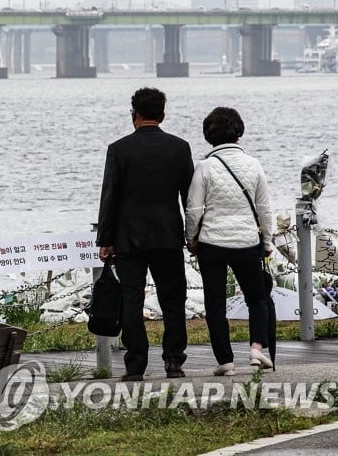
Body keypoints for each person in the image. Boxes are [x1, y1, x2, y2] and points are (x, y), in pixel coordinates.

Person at [97, 87, 195, 381]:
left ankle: (135, 365)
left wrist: (105, 239)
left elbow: (109, 197)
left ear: (134, 115)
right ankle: (174, 361)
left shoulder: (119, 149)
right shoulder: (179, 148)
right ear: (162, 114)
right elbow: (188, 198)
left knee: (131, 300)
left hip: (129, 238)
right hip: (168, 236)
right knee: (173, 299)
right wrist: (192, 235)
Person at [185, 107, 273, 376]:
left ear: (209, 135)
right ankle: (257, 348)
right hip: (246, 242)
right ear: (239, 132)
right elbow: (264, 209)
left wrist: (191, 239)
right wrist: (267, 241)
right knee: (256, 298)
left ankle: (225, 360)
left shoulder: (204, 167)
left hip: (212, 243)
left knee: (215, 302)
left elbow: (193, 209)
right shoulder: (254, 165)